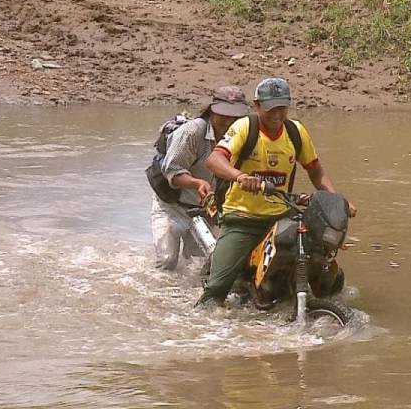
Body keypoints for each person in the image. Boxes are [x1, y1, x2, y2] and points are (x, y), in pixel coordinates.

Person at [196, 77, 356, 306]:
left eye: (282, 108)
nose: (277, 114)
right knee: (216, 290)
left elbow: (316, 171)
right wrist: (240, 176)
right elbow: (214, 159)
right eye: (271, 108)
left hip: (281, 215)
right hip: (243, 217)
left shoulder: (296, 131)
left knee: (320, 255)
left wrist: (337, 200)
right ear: (257, 105)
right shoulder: (244, 127)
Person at [150, 86, 249, 271]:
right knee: (167, 261)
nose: (229, 121)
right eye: (224, 115)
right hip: (172, 205)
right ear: (212, 110)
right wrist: (196, 183)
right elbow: (172, 170)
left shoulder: (243, 137)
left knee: (197, 265)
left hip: (205, 210)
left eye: (235, 117)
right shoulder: (192, 132)